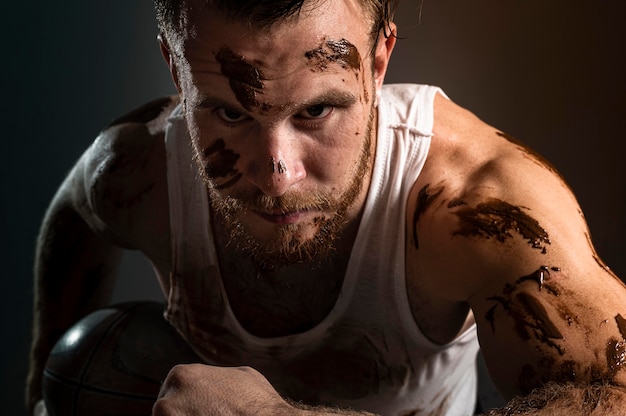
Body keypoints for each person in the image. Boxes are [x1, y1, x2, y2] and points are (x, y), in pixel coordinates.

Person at [26, 0, 626, 415]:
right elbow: (77, 217)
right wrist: (42, 377)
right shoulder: (135, 172)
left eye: (316, 112)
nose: (277, 175)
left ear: (378, 60)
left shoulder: (476, 207)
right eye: (230, 114)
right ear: (177, 72)